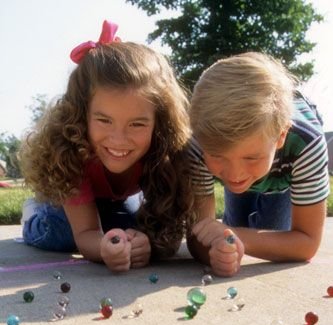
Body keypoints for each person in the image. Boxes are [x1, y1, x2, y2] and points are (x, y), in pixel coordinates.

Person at [21, 20, 206, 272]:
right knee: (61, 232)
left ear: (160, 122)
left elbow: (169, 232)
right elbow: (86, 233)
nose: (118, 139)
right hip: (64, 206)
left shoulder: (167, 151)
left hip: (115, 200)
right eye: (104, 120)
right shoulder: (71, 150)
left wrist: (141, 245)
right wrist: (104, 250)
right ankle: (33, 213)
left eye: (137, 124)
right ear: (81, 114)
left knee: (130, 227)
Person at [188, 51, 330, 276]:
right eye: (216, 155)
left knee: (271, 228)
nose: (235, 174)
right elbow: (200, 233)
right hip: (265, 152)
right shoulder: (198, 141)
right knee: (235, 221)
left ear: (281, 136)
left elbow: (306, 242)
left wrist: (231, 236)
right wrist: (219, 250)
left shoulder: (306, 144)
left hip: (284, 167)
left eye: (251, 157)